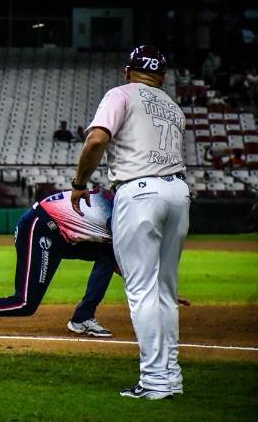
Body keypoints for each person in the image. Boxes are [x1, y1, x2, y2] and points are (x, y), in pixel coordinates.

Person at [70, 45, 189, 400]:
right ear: (162, 77)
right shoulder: (174, 107)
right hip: (178, 193)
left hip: (138, 192)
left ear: (127, 71)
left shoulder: (120, 94)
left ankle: (153, 381)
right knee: (165, 292)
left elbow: (96, 140)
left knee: (142, 291)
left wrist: (79, 183)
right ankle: (171, 377)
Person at [0, 189, 117, 337]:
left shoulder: (116, 202)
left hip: (61, 234)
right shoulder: (116, 214)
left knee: (108, 255)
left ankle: (82, 317)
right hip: (40, 227)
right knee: (24, 303)